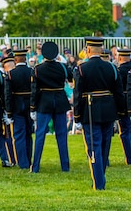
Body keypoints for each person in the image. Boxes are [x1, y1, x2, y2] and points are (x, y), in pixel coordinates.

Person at [73, 37, 125, 190]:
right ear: (101, 50)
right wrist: (121, 112)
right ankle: (100, 177)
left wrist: (76, 116)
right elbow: (119, 93)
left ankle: (98, 182)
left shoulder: (81, 69)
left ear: (88, 50)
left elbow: (77, 94)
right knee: (104, 146)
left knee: (94, 147)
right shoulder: (112, 68)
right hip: (108, 111)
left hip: (90, 111)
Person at [30, 42, 73, 173]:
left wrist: (32, 107)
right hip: (60, 100)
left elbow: (34, 90)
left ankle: (36, 166)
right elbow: (71, 77)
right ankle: (65, 166)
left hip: (44, 101)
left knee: (40, 134)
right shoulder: (63, 67)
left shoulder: (37, 69)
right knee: (61, 135)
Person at [4, 49, 34, 169]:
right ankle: (29, 159)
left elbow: (8, 94)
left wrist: (9, 112)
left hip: (17, 106)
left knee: (19, 135)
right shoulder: (32, 72)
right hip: (30, 106)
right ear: (25, 59)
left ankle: (23, 162)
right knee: (28, 134)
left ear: (15, 60)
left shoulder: (10, 74)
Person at [117, 49, 131, 165]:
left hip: (123, 102)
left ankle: (129, 158)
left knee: (125, 131)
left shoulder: (119, 70)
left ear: (120, 58)